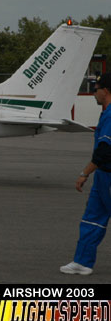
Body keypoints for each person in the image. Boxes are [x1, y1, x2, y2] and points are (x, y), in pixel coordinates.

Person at [61, 72, 111, 275]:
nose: (93, 94)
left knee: (95, 215)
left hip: (107, 174)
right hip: (103, 177)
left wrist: (84, 173)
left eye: (96, 89)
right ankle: (82, 261)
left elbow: (105, 151)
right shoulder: (106, 113)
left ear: (106, 91)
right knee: (91, 218)